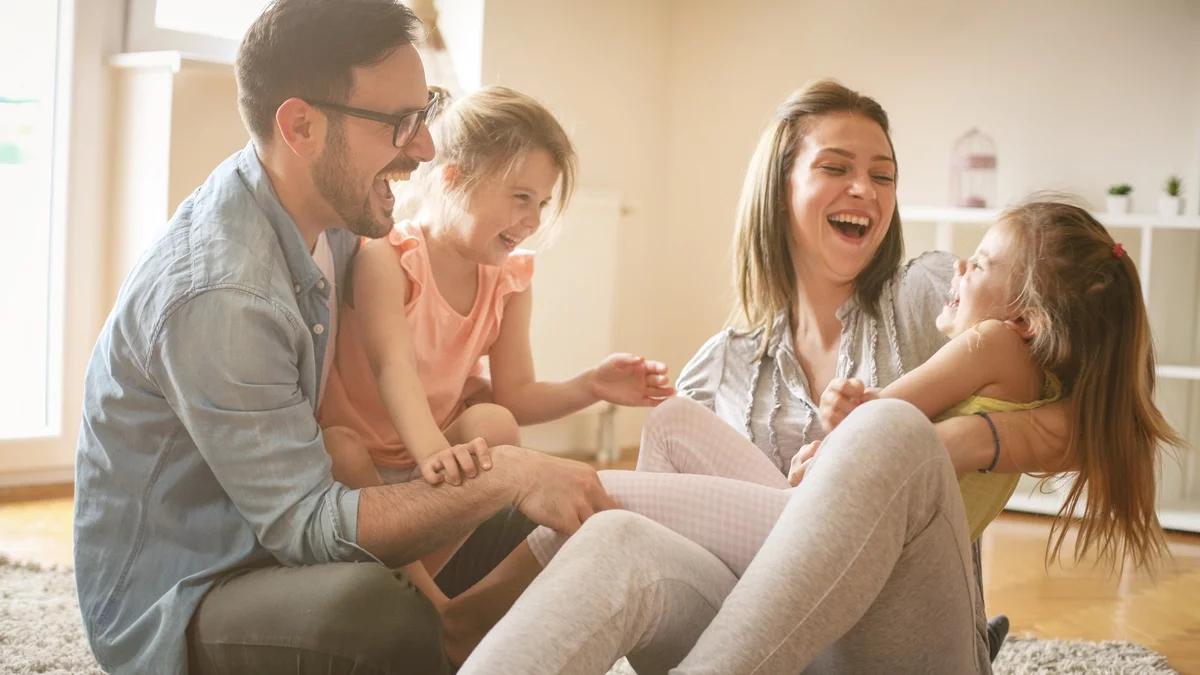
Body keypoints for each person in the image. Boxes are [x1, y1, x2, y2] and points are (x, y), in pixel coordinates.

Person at [455, 82, 1173, 674]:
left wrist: (966, 438)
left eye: (883, 174)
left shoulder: (930, 297)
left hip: (899, 636)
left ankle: (531, 490)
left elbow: (1096, 400)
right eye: (835, 166)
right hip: (773, 631)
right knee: (624, 529)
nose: (864, 186)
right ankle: (454, 634)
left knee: (888, 429)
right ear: (781, 185)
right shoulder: (721, 363)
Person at [73, 2, 613, 673]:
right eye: (399, 123)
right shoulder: (224, 295)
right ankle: (439, 632)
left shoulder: (334, 217)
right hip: (197, 587)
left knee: (538, 524)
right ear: (300, 125)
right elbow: (307, 526)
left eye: (427, 111)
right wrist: (505, 471)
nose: (424, 146)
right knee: (378, 614)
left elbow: (399, 341)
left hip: (275, 533)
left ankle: (449, 630)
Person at [317, 83, 673, 612]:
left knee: (496, 424)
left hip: (429, 459)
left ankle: (427, 593)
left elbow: (517, 394)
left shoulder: (508, 279)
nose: (532, 221)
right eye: (520, 198)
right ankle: (434, 608)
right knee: (337, 445)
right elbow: (393, 367)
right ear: (456, 179)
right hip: (365, 464)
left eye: (542, 204)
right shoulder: (388, 259)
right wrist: (437, 456)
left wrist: (592, 385)